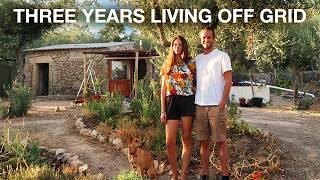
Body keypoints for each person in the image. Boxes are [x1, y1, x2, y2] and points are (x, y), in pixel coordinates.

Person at [194, 26, 232, 180]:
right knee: (203, 143)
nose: (206, 40)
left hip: (217, 106)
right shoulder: (197, 59)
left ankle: (225, 176)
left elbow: (229, 80)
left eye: (209, 37)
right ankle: (204, 174)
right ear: (200, 39)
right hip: (200, 106)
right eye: (203, 37)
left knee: (221, 142)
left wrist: (223, 101)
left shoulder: (222, 56)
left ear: (213, 38)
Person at [160, 35, 196, 180]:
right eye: (175, 44)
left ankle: (183, 175)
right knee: (169, 142)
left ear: (184, 46)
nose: (177, 47)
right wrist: (163, 110)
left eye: (180, 44)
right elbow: (163, 88)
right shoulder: (167, 64)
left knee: (186, 138)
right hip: (171, 102)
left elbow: (197, 83)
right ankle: (174, 174)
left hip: (187, 101)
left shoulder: (191, 63)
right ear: (172, 46)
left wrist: (194, 88)